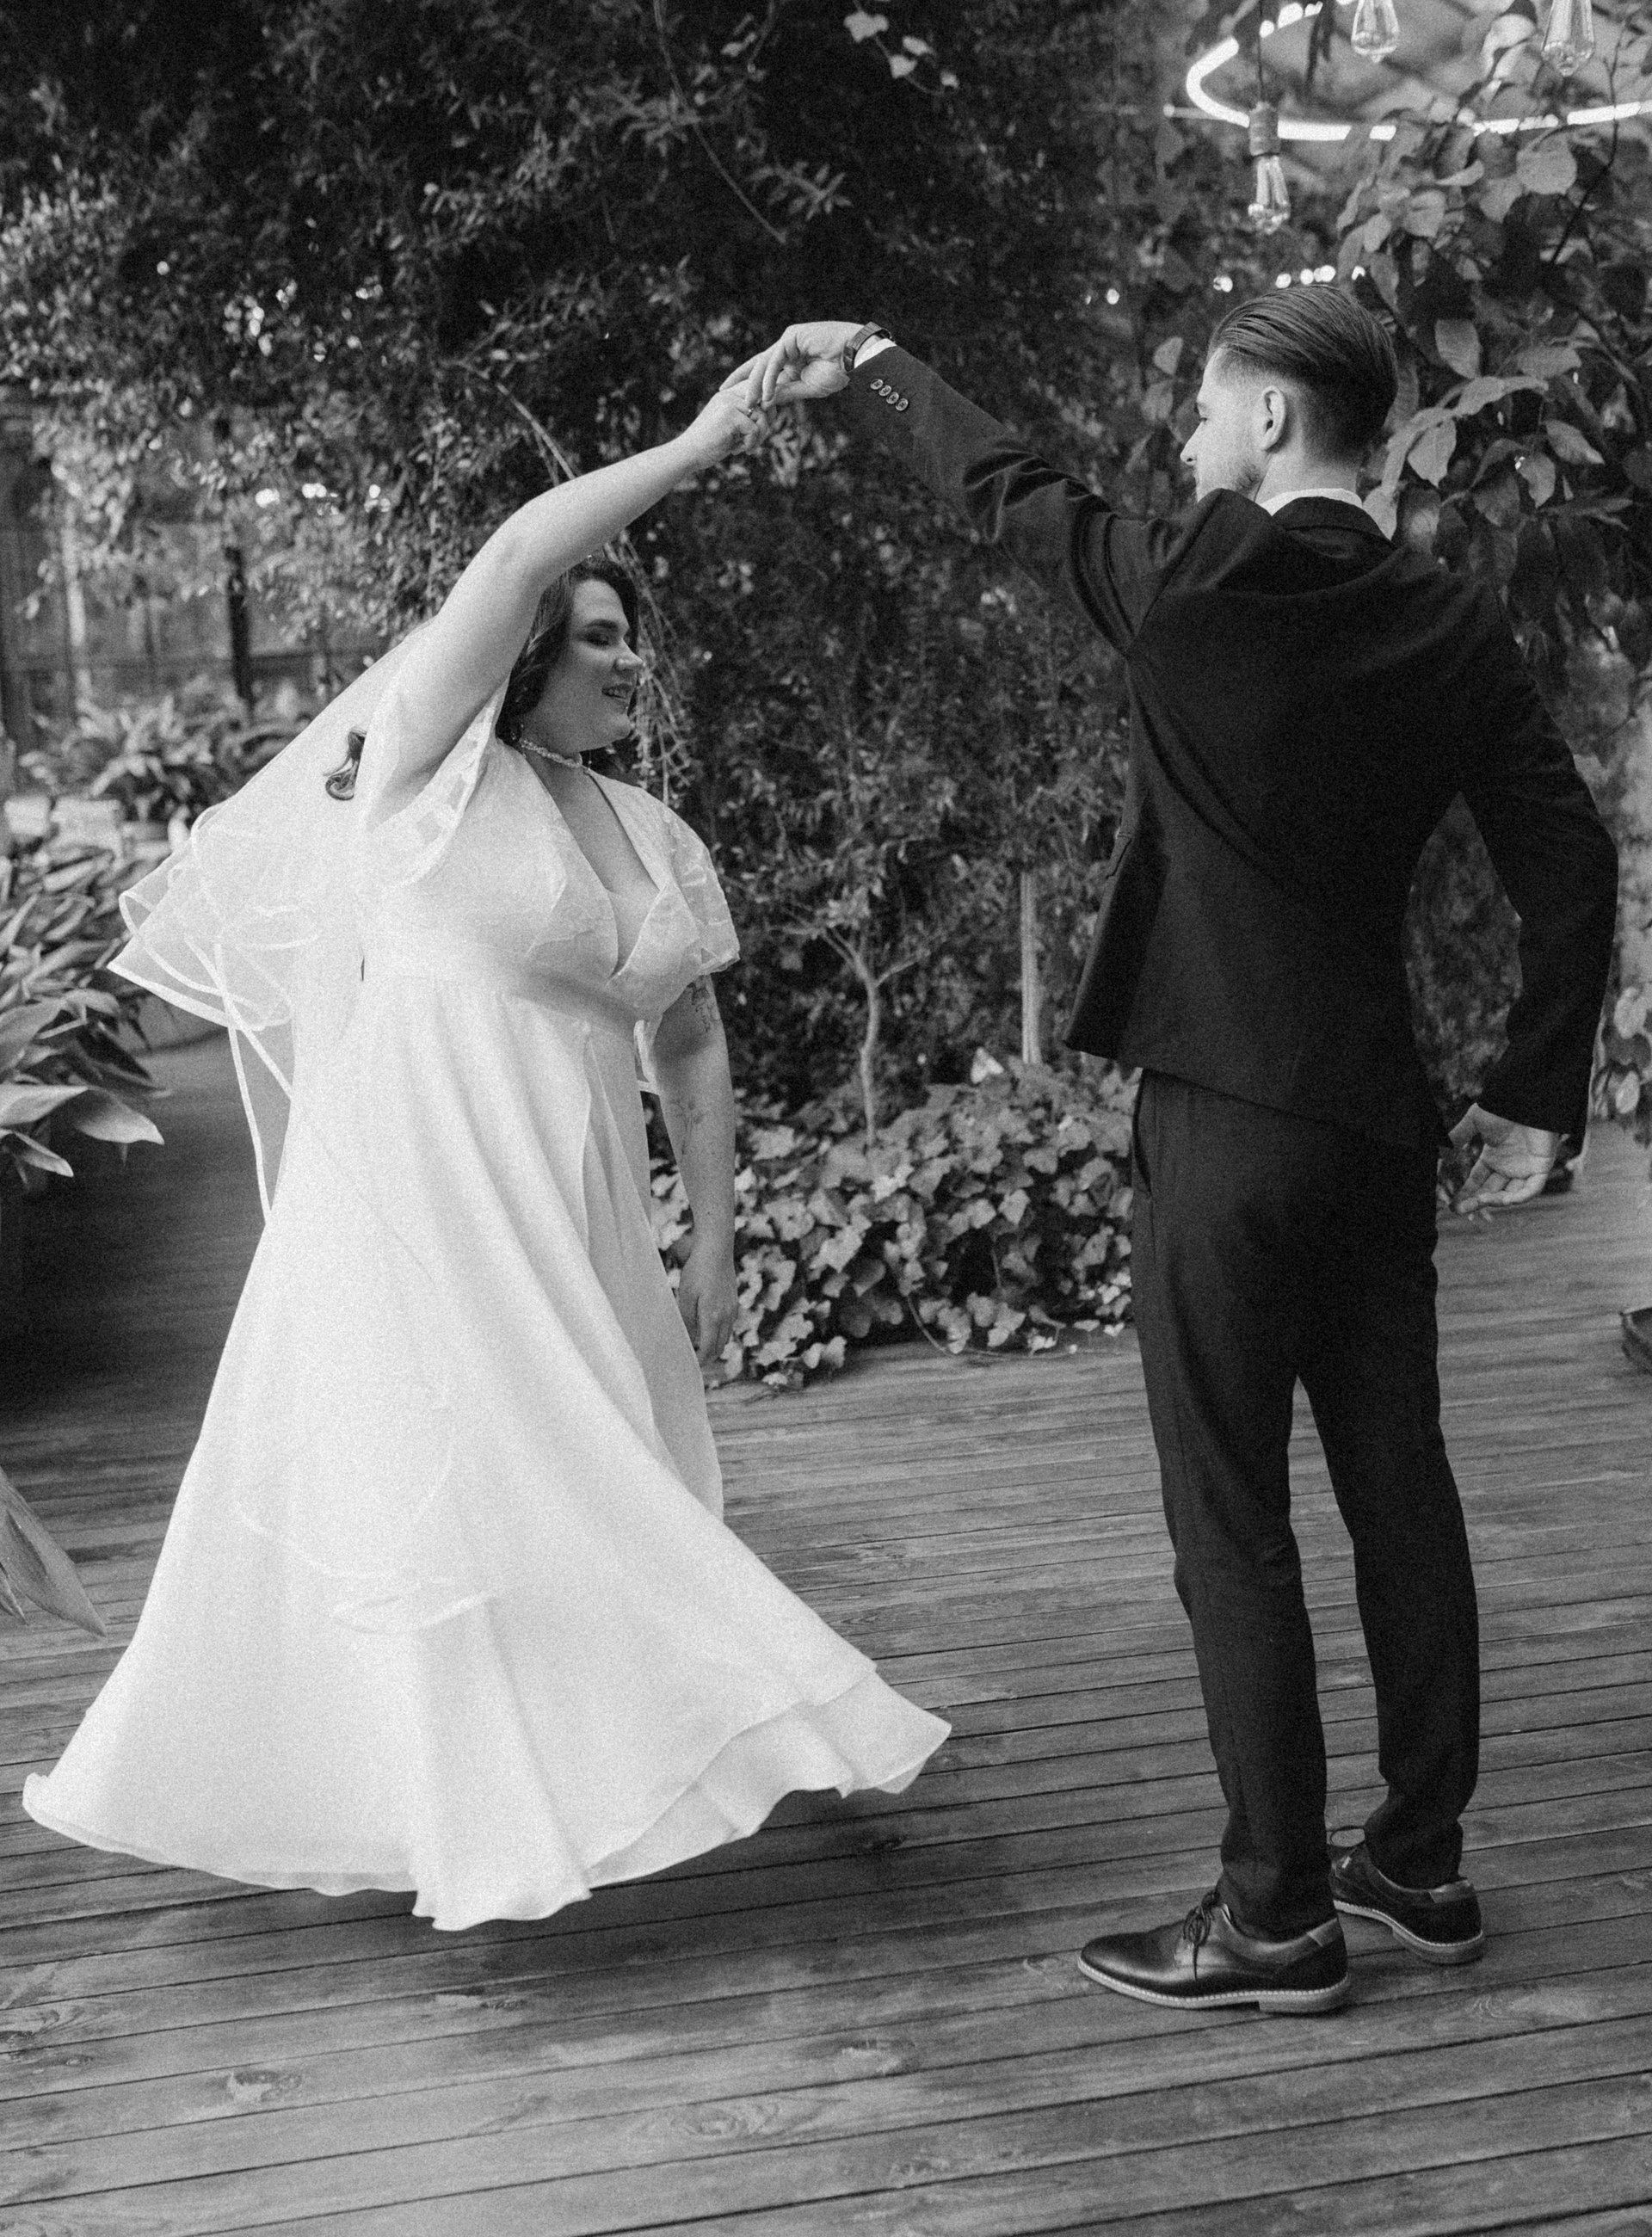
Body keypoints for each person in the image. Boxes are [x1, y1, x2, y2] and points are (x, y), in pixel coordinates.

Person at [733, 299, 1617, 2014]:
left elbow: (1017, 495)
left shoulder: (1199, 573)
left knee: (1232, 1517)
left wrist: (884, 369)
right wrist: (1533, 1094)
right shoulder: (1446, 617)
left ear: (1274, 417)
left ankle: (1274, 1915)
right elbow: (1569, 859)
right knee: (1402, 1490)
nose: (1190, 444)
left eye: (1208, 414)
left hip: (1222, 1119)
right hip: (1376, 1122)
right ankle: (1420, 1866)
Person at [23, 385, 947, 1930]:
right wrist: (705, 441)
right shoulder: (422, 772)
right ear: (523, 653)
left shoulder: (654, 833)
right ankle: (514, 1808)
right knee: (470, 1487)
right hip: (421, 1201)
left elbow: (690, 1046)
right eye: (597, 635)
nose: (628, 657)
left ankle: (547, 1797)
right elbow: (518, 552)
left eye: (632, 637)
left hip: (576, 1207)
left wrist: (717, 1240)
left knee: (571, 1489)